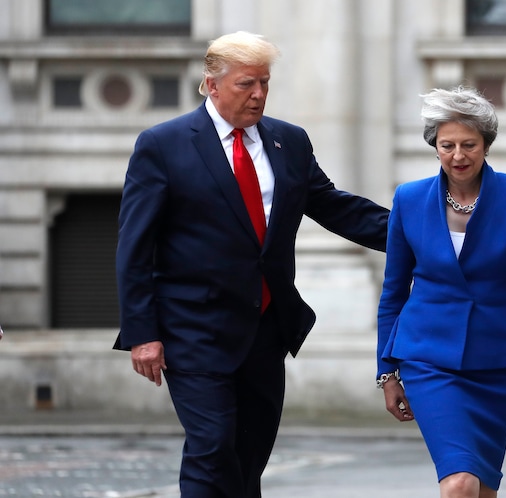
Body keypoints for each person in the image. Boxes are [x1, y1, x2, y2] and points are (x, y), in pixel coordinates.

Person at [114, 31, 388, 498]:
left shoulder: (289, 142)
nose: (258, 94)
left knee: (249, 457)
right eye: (246, 84)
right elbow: (134, 246)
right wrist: (142, 332)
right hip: (193, 329)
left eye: (264, 83)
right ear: (211, 85)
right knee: (212, 448)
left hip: (264, 327)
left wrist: (426, 234)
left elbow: (336, 208)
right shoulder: (164, 144)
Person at [376, 86, 506, 498]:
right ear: (435, 145)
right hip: (428, 359)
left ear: (486, 145)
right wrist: (387, 372)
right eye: (447, 145)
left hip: (497, 364)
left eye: (469, 145)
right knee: (459, 483)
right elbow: (393, 292)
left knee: (481, 489)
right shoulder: (408, 200)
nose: (458, 156)